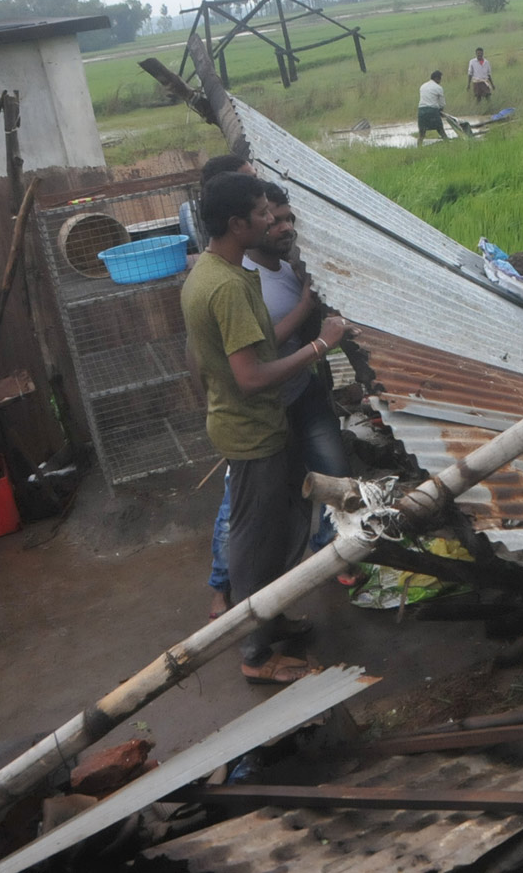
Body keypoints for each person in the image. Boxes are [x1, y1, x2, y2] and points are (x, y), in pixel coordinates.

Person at [182, 171, 360, 684]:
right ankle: (256, 655)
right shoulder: (228, 287)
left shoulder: (218, 272)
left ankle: (272, 617)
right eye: (263, 214)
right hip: (252, 433)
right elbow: (251, 376)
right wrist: (321, 344)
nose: (273, 220)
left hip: (258, 427)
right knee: (255, 543)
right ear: (238, 224)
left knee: (282, 529)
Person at [417, 70, 448, 147]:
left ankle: (419, 148)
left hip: (421, 111)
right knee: (441, 130)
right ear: (437, 78)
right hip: (432, 111)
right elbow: (442, 103)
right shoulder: (438, 88)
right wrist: (441, 111)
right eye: (440, 79)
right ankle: (448, 144)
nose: (440, 81)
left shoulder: (422, 86)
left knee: (421, 133)